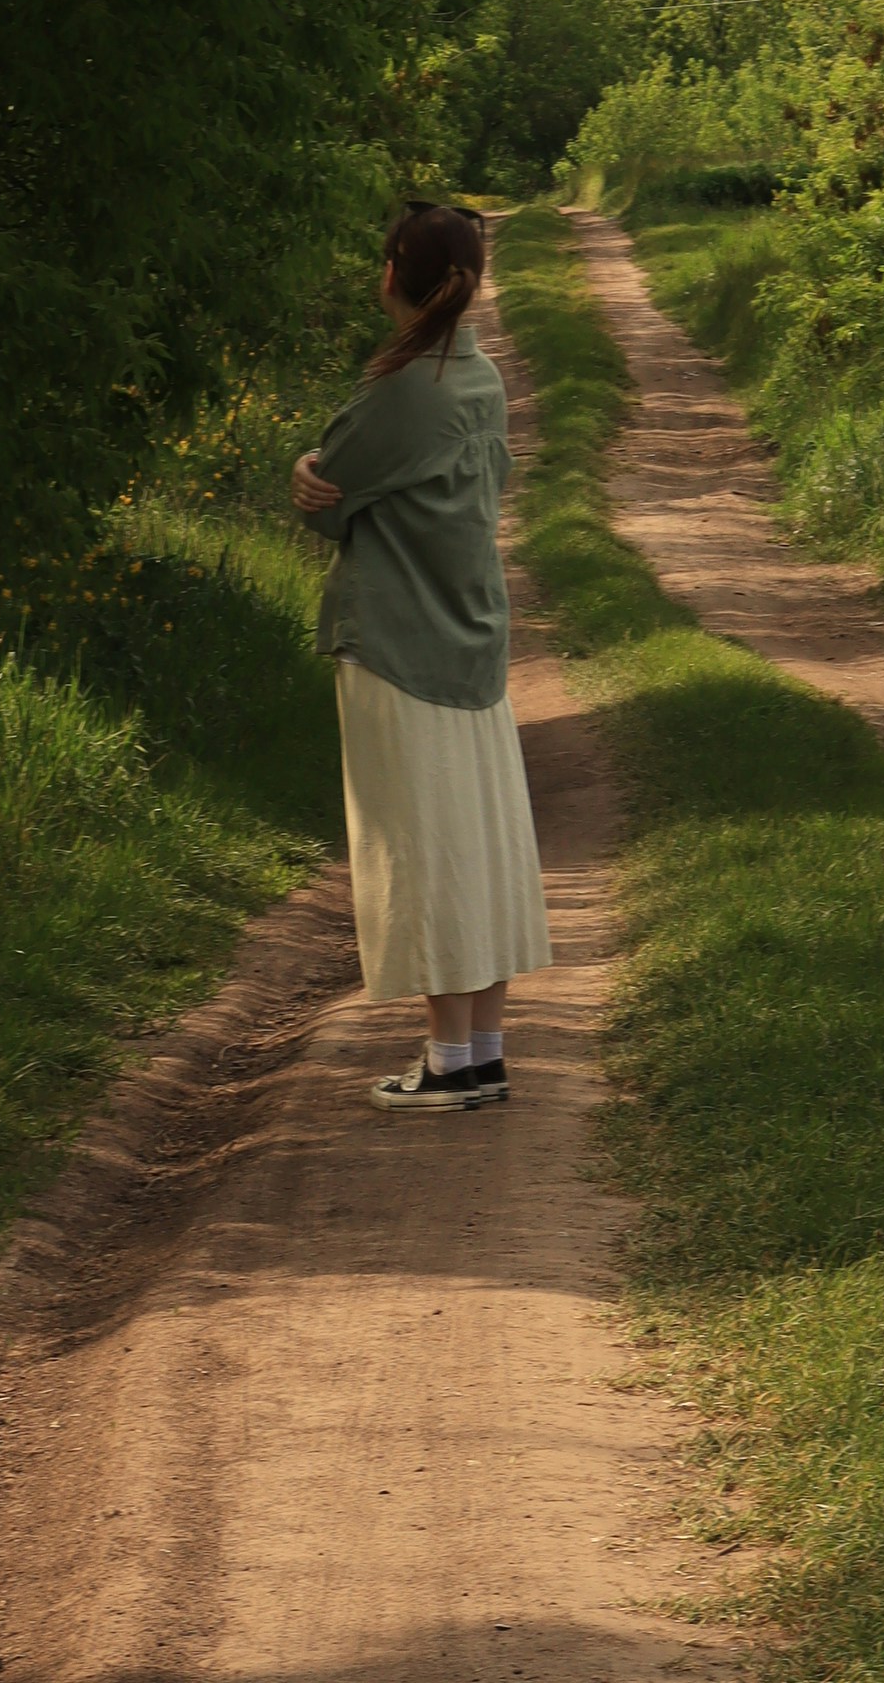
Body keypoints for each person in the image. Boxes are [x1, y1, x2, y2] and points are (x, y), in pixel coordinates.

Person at [291, 201, 550, 1114]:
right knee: (479, 841)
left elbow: (327, 500)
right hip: (472, 638)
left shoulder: (404, 388)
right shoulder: (477, 377)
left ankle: (447, 1061)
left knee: (424, 842)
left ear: (394, 275)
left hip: (399, 642)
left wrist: (302, 472)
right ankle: (480, 1051)